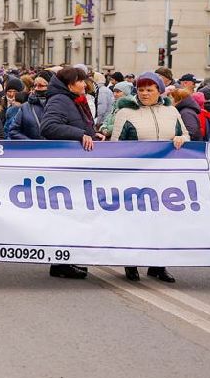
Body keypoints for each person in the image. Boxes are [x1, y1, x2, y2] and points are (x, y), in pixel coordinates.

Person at [110, 71, 189, 283]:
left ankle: (158, 265)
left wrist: (181, 137)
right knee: (135, 220)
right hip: (135, 176)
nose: (145, 94)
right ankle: (131, 262)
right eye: (141, 89)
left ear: (159, 91)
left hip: (164, 177)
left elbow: (186, 135)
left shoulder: (171, 111)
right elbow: (115, 145)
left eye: (149, 90)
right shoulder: (125, 112)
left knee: (162, 221)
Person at [40, 66, 102, 280]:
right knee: (65, 215)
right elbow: (48, 127)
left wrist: (94, 135)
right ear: (69, 84)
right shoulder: (60, 100)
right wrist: (80, 134)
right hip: (64, 167)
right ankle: (60, 263)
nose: (85, 84)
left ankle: (66, 259)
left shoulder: (74, 100)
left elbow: (80, 126)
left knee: (74, 214)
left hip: (76, 166)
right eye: (81, 81)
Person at [8, 74, 51, 140]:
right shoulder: (25, 107)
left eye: (41, 86)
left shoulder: (57, 105)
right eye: (35, 85)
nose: (37, 88)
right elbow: (13, 131)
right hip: (31, 149)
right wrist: (30, 143)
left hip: (54, 149)